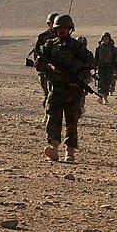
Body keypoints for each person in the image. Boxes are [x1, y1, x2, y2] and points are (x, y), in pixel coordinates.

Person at [35, 14, 94, 162]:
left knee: (71, 121)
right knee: (53, 119)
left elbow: (90, 64)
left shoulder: (77, 46)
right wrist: (50, 67)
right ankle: (54, 147)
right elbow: (38, 63)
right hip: (56, 88)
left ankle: (70, 151)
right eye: (59, 29)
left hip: (73, 90)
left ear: (70, 29)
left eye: (65, 28)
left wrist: (78, 80)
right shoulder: (49, 45)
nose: (62, 31)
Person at [31, 13, 59, 106]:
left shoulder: (62, 36)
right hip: (45, 69)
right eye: (52, 23)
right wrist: (40, 66)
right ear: (49, 24)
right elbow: (37, 52)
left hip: (58, 70)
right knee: (47, 94)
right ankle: (47, 114)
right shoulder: (43, 36)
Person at [94, 32, 116, 104]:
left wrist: (116, 69)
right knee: (101, 82)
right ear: (102, 39)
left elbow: (115, 59)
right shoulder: (99, 48)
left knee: (107, 82)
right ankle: (100, 96)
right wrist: (94, 67)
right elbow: (96, 58)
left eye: (107, 38)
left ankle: (105, 97)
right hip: (101, 67)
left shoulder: (112, 48)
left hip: (109, 67)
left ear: (109, 39)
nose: (106, 39)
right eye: (104, 38)